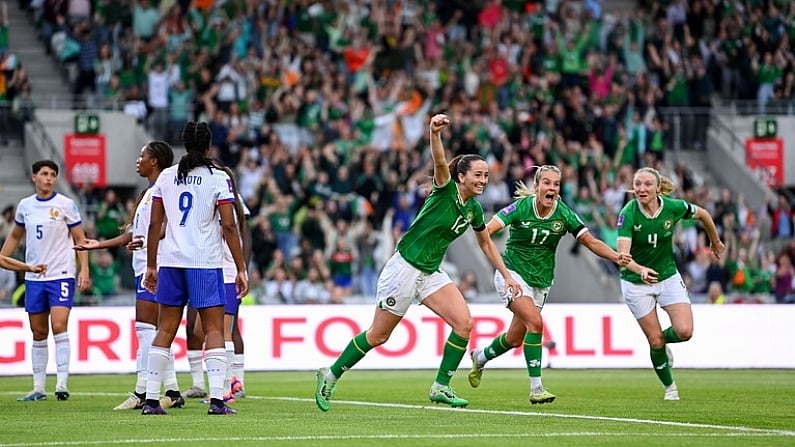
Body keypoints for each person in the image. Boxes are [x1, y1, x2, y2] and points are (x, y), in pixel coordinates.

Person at [314, 114, 522, 411]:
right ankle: (330, 374)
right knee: (378, 335)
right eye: (478, 175)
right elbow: (439, 162)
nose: (483, 181)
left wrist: (507, 275)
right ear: (461, 176)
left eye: (486, 176)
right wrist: (434, 133)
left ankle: (441, 386)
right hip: (405, 268)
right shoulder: (445, 189)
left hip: (430, 272)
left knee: (464, 324)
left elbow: (486, 242)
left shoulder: (474, 209)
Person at [467, 165, 634, 404]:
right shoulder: (521, 207)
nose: (552, 188)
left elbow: (590, 241)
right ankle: (537, 388)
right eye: (547, 183)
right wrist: (502, 268)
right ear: (536, 186)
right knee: (535, 323)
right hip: (513, 274)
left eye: (556, 184)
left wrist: (616, 256)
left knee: (515, 338)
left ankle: (480, 357)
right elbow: (487, 230)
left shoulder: (563, 214)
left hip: (541, 281)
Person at [141, 121, 248, 415]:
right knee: (214, 329)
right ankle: (216, 400)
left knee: (165, 329)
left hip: (172, 262)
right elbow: (228, 224)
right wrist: (240, 268)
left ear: (184, 144)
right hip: (204, 263)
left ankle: (151, 400)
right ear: (209, 146)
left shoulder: (166, 176)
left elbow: (154, 224)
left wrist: (152, 265)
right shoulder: (218, 178)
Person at [73, 141, 186, 410]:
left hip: (157, 265)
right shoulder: (149, 192)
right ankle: (171, 389)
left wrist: (146, 244)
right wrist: (98, 244)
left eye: (142, 156)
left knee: (147, 331)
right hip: (144, 265)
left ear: (155, 161)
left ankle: (142, 391)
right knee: (155, 331)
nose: (138, 160)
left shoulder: (165, 188)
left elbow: (166, 226)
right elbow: (136, 233)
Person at [617, 166, 724, 400]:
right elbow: (622, 257)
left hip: (667, 276)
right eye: (637, 184)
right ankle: (670, 388)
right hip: (636, 282)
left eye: (647, 184)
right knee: (653, 339)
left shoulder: (673, 207)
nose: (641, 188)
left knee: (684, 331)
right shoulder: (628, 213)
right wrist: (640, 269)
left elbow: (704, 214)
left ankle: (661, 342)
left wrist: (715, 242)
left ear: (657, 188)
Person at [1, 160, 91, 401]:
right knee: (38, 331)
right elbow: (16, 235)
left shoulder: (65, 205)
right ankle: (38, 388)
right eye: (44, 174)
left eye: (53, 174)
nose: (49, 178)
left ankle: (62, 384)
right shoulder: (25, 206)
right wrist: (4, 256)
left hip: (61, 274)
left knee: (59, 325)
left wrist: (84, 270)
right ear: (34, 177)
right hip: (34, 277)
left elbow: (80, 239)